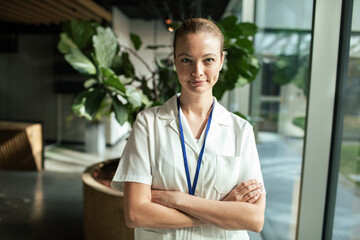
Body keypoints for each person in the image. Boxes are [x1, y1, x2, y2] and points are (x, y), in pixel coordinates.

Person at [111, 17, 266, 240]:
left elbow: (254, 219)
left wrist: (177, 200)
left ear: (221, 61)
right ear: (174, 61)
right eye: (186, 60)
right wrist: (222, 211)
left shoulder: (241, 131)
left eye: (208, 60)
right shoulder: (148, 123)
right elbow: (135, 214)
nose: (197, 71)